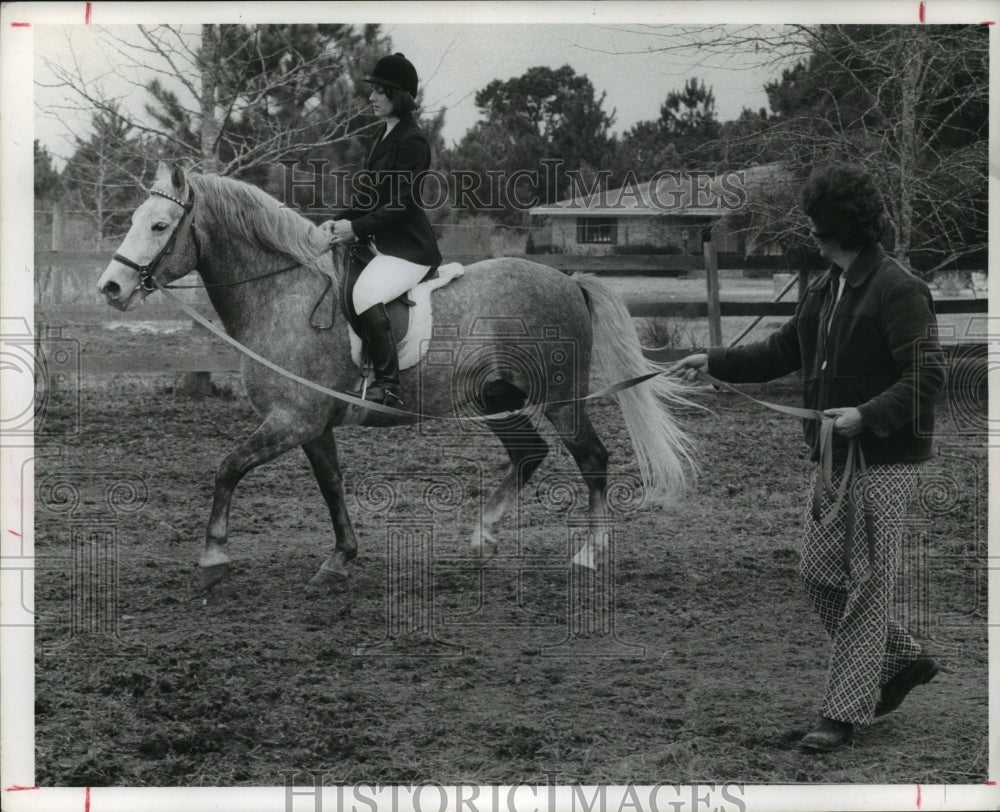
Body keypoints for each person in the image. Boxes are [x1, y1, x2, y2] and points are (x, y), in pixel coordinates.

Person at [670, 163, 945, 752]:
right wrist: (713, 361)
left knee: (867, 586)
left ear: (840, 228)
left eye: (817, 224)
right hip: (830, 462)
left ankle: (841, 716)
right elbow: (784, 349)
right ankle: (901, 660)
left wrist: (866, 415)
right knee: (819, 577)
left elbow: (926, 377)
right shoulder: (825, 285)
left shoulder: (899, 289)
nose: (810, 232)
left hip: (882, 463)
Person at [321, 53, 442, 407]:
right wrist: (337, 221)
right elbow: (369, 196)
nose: (371, 98)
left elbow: (400, 205)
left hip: (408, 249)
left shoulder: (413, 141)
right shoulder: (382, 134)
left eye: (380, 92)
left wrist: (354, 229)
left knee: (366, 295)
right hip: (380, 244)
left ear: (398, 95)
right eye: (372, 91)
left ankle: (388, 385)